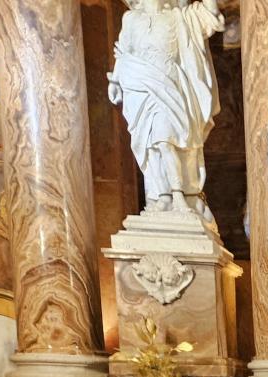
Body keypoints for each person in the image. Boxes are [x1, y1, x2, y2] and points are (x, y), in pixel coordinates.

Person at [107, 0, 223, 219]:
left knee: (165, 138)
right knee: (151, 145)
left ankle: (179, 195)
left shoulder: (179, 17)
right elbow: (124, 52)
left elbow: (209, 14)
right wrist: (115, 82)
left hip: (168, 84)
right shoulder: (131, 19)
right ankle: (162, 196)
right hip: (139, 87)